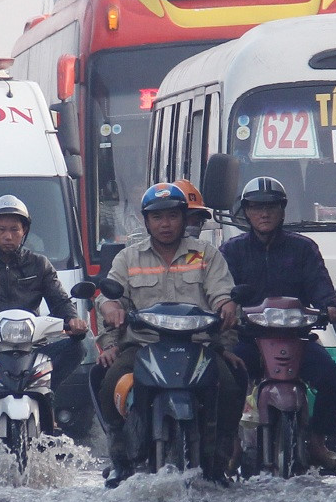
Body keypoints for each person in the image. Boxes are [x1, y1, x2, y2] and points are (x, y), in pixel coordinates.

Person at [94, 183, 242, 486]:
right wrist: (110, 315)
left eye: (173, 216)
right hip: (143, 348)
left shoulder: (206, 255)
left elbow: (221, 294)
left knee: (230, 386)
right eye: (157, 217)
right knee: (108, 382)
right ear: (146, 221)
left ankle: (219, 461)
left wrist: (226, 307)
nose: (165, 224)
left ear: (184, 218)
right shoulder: (128, 258)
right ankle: (121, 458)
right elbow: (108, 298)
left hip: (198, 348)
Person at [221, 176, 336, 472]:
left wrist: (330, 306)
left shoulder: (303, 248)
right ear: (246, 212)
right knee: (226, 378)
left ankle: (318, 442)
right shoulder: (232, 250)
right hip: (250, 339)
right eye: (255, 207)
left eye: (271, 207)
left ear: (283, 210)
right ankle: (232, 444)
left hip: (296, 340)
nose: (263, 214)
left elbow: (319, 283)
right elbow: (221, 290)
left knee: (332, 377)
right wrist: (226, 309)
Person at [0, 196, 88, 431]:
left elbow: (60, 300)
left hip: (32, 347)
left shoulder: (40, 264)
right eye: (1, 229)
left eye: (15, 229)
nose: (8, 236)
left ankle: (46, 393)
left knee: (78, 347)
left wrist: (73, 320)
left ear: (25, 231)